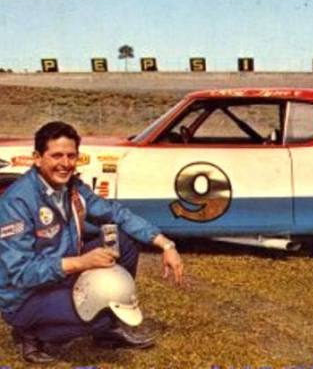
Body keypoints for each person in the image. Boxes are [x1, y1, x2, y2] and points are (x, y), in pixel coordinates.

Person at [0, 121, 184, 363]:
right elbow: (20, 273)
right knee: (101, 317)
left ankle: (106, 332)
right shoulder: (17, 202)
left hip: (62, 273)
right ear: (37, 158)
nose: (65, 163)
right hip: (26, 295)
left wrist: (166, 244)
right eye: (56, 156)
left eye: (71, 156)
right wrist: (81, 263)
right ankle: (31, 332)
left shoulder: (73, 187)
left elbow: (116, 213)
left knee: (124, 243)